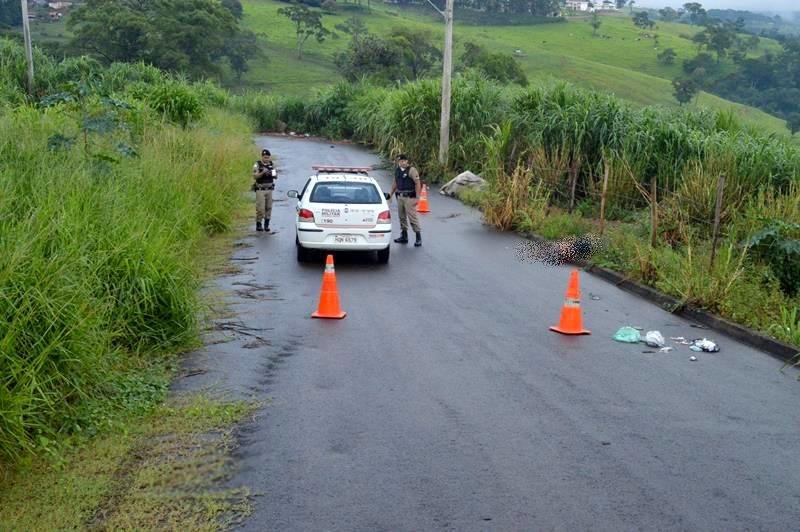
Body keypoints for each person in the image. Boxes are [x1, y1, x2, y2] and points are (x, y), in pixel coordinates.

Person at [389, 154, 422, 247]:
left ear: (407, 161)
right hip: (400, 196)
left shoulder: (411, 170)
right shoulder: (397, 171)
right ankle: (404, 236)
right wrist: (390, 194)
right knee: (401, 217)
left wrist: (417, 197)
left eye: (404, 161)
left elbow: (417, 183)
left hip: (410, 197)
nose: (402, 163)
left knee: (412, 217)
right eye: (400, 161)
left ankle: (418, 237)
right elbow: (395, 183)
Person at [252, 149, 277, 232]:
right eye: (265, 157)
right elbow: (255, 176)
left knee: (268, 207)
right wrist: (262, 173)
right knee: (260, 208)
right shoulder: (257, 164)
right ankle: (259, 224)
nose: (267, 159)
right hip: (260, 189)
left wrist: (272, 173)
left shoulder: (271, 164)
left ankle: (266, 225)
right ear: (262, 157)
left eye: (268, 157)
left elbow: (275, 177)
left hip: (269, 189)